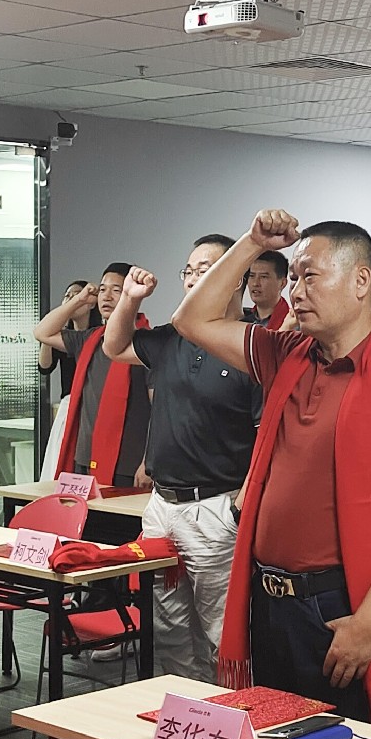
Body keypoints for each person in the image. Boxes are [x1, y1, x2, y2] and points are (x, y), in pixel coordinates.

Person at [172, 208, 371, 725]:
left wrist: (367, 623)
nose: (295, 292)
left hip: (339, 605)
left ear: (360, 281)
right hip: (269, 597)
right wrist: (252, 243)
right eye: (292, 278)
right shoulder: (287, 354)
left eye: (309, 276)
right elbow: (192, 320)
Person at [101, 237, 261, 682]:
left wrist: (239, 506)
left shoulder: (253, 346)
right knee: (168, 628)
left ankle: (231, 712)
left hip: (215, 507)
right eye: (188, 270)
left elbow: (269, 435)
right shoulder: (172, 337)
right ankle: (186, 712)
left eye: (204, 269)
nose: (192, 279)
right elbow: (114, 347)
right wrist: (131, 299)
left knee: (221, 633)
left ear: (234, 279)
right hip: (162, 506)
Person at [34, 263, 152, 488]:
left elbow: (160, 408)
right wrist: (78, 300)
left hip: (127, 461)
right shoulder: (90, 338)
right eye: (102, 289)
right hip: (84, 456)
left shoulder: (147, 343)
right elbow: (42, 332)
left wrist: (149, 461)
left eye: (116, 290)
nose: (106, 296)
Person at [38, 279, 95, 481]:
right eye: (67, 296)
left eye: (76, 295)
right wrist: (53, 330)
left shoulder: (96, 334)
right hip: (69, 403)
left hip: (90, 405)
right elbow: (45, 366)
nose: (71, 299)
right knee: (59, 458)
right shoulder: (64, 337)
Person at [244, 250, 291, 327]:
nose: (255, 283)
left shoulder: (294, 324)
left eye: (263, 277)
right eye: (251, 276)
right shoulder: (242, 321)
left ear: (282, 283)